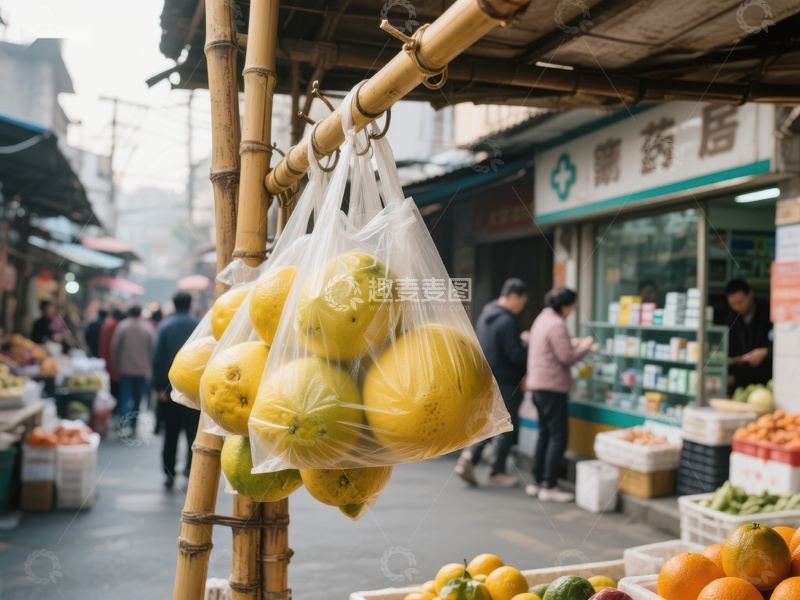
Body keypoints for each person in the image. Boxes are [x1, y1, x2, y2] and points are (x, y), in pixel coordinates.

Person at [455, 278, 529, 487]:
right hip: (506, 381)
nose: (522, 307)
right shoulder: (508, 321)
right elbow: (515, 354)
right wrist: (528, 346)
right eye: (522, 302)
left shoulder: (487, 313)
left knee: (489, 421)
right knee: (504, 425)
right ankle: (496, 471)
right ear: (513, 296)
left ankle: (469, 457)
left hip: (487, 377)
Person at [525, 287, 594, 503]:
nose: (572, 310)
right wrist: (585, 346)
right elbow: (566, 357)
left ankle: (537, 482)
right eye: (572, 305)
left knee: (545, 434)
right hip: (552, 387)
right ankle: (550, 486)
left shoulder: (542, 319)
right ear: (565, 306)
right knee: (557, 436)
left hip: (537, 386)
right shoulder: (556, 323)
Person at [152, 292, 201, 490]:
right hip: (194, 391)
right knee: (193, 434)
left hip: (170, 390)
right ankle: (191, 469)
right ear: (190, 304)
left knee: (170, 433)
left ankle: (168, 472)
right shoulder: (198, 325)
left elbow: (158, 359)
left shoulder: (165, 326)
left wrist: (159, 387)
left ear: (173, 304)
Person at [111, 305, 155, 435]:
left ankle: (124, 424)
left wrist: (115, 364)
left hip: (126, 368)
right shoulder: (148, 328)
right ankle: (134, 425)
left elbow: (115, 347)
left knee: (125, 397)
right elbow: (152, 349)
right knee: (138, 399)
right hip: (142, 370)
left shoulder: (123, 326)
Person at [725, 278, 772, 389]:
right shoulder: (730, 318)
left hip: (766, 378)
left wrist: (766, 352)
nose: (737, 307)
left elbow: (784, 341)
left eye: (740, 302)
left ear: (750, 295)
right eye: (733, 304)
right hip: (740, 381)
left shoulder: (768, 312)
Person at [98, 309, 125, 405]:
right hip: (120, 362)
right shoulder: (122, 327)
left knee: (109, 386)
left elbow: (103, 344)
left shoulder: (108, 326)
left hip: (107, 360)